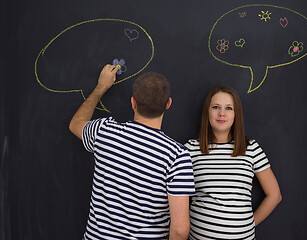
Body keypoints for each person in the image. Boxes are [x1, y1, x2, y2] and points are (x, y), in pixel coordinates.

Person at [69, 64, 195, 240]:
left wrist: (101, 87)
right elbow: (180, 230)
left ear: (133, 102)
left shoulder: (104, 132)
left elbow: (75, 124)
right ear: (168, 104)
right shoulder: (176, 156)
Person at [184, 85, 282, 240]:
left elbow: (274, 195)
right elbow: (174, 195)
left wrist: (249, 224)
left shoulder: (251, 149)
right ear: (207, 112)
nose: (222, 113)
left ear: (236, 114)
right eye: (216, 107)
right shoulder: (190, 149)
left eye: (229, 108)